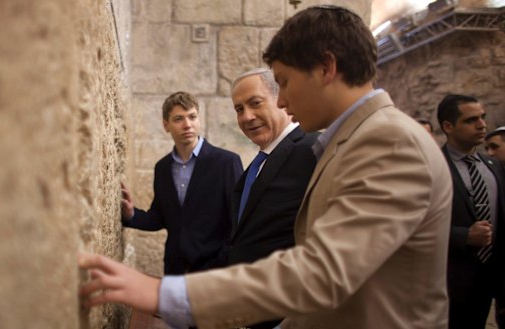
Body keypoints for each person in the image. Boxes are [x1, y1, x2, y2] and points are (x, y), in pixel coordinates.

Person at [79, 6, 453, 329]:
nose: (284, 100)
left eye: (285, 82)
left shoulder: (389, 141)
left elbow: (324, 272)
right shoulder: (352, 140)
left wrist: (163, 293)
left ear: (326, 67)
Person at [220, 67, 319, 328]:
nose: (247, 117)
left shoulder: (311, 149)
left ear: (281, 100)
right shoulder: (260, 162)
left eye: (255, 103)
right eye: (239, 109)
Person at [120, 91, 243, 275]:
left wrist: (222, 262)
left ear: (198, 120)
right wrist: (130, 214)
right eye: (178, 119)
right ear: (166, 125)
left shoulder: (226, 163)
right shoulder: (162, 168)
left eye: (192, 117)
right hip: (175, 271)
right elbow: (159, 217)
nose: (187, 125)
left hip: (215, 272)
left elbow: (238, 220)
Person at [437, 94, 505, 329]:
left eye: (483, 117)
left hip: (491, 279)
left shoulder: (493, 166)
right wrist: (463, 236)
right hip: (450, 282)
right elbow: (416, 225)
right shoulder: (432, 167)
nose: (482, 125)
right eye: (471, 120)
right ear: (448, 126)